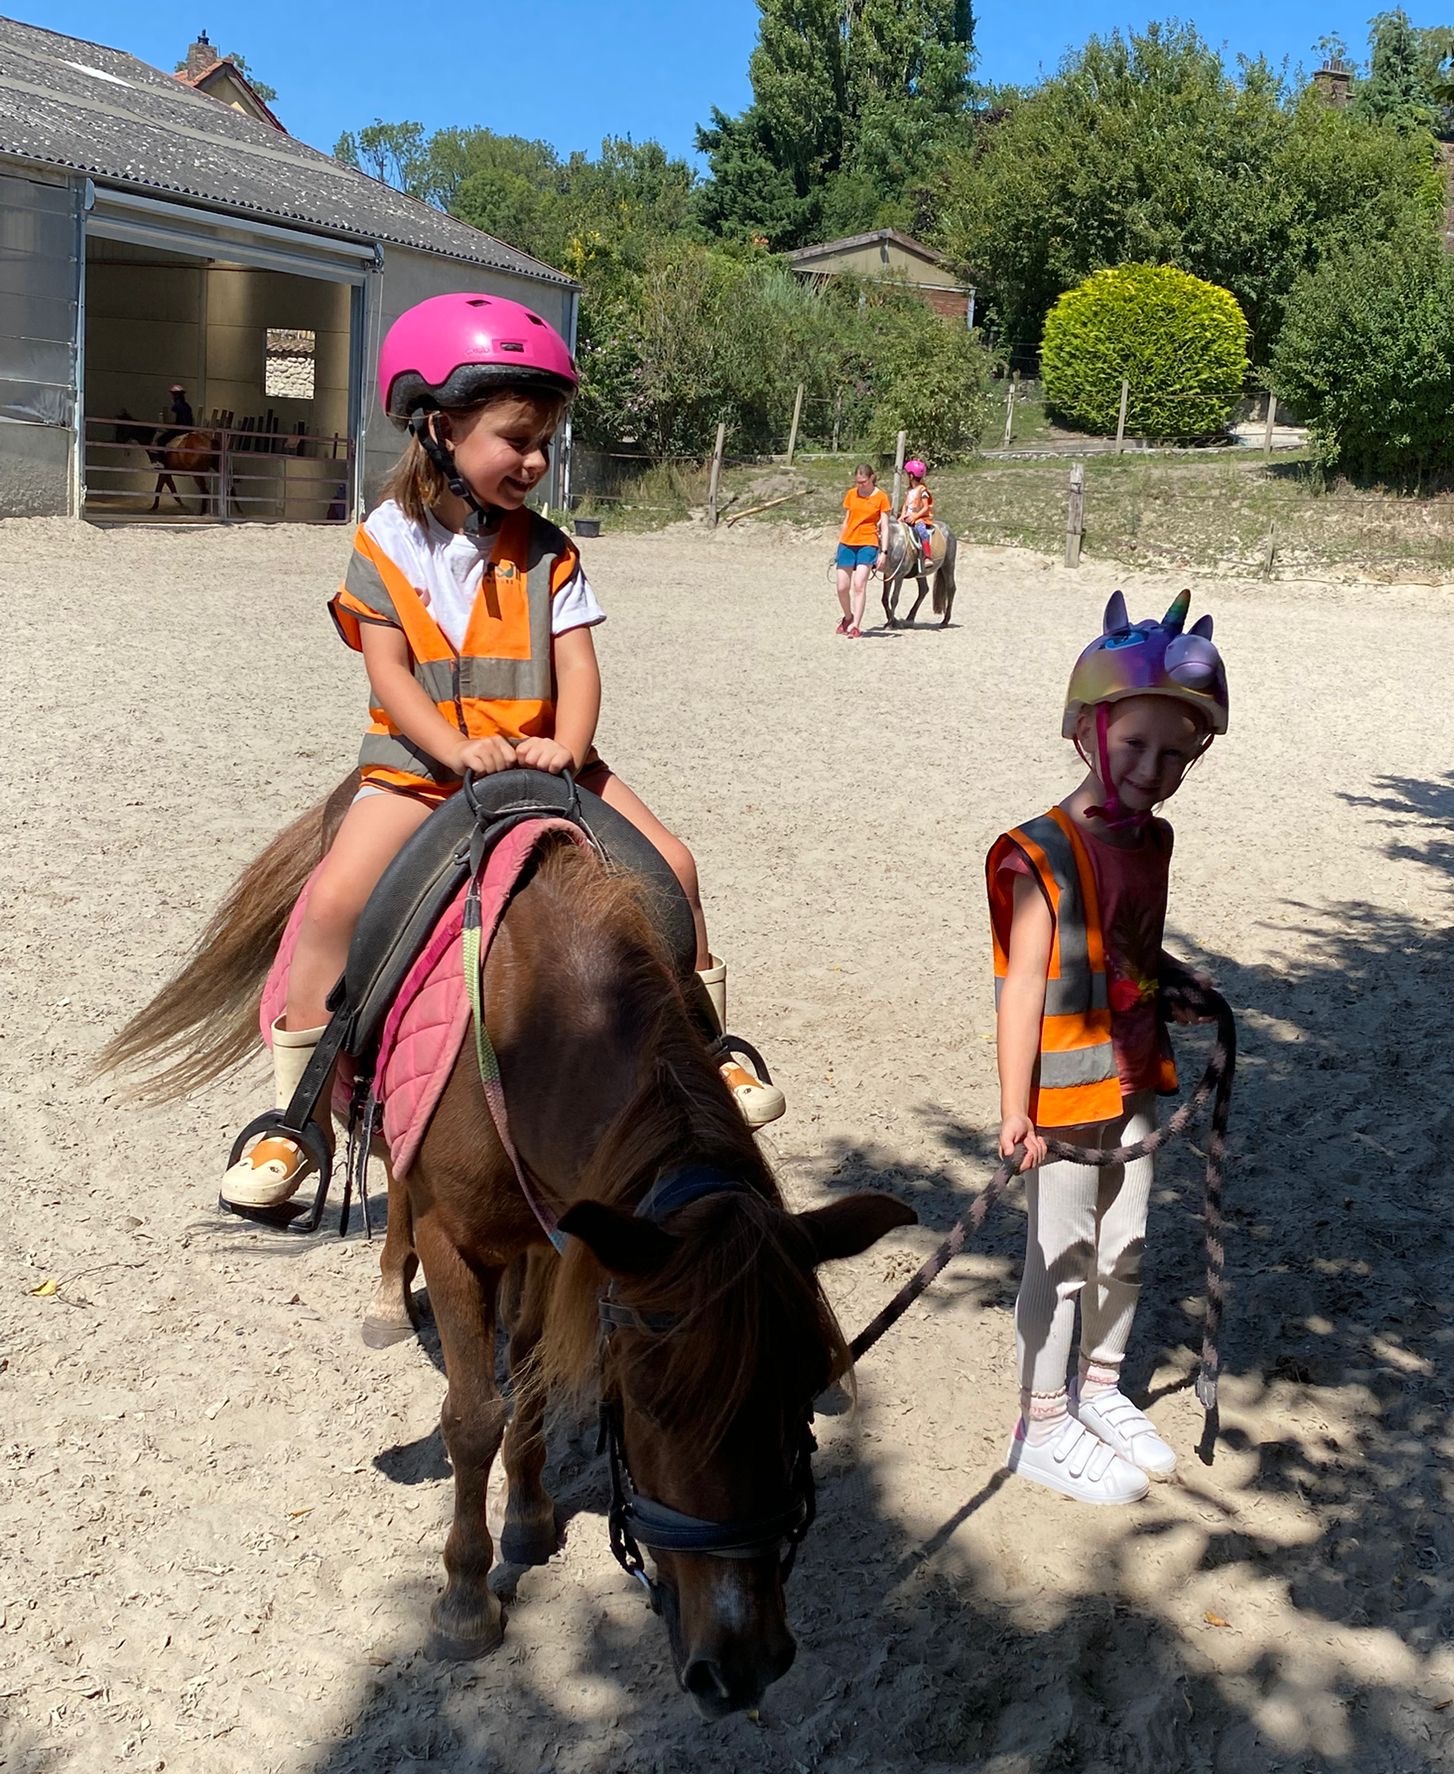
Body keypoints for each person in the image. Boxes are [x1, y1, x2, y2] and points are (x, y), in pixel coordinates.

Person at [222, 293, 784, 1211]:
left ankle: (707, 1048)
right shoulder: (384, 543)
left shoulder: (551, 552)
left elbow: (579, 664)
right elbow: (389, 669)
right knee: (332, 904)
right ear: (439, 429)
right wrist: (453, 749)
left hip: (550, 758)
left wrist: (567, 746)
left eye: (545, 444)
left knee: (675, 866)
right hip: (418, 769)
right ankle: (297, 1119)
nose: (534, 462)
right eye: (517, 440)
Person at [984, 590, 1228, 1504]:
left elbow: (1125, 944)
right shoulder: (1042, 854)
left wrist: (1176, 983)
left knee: (1124, 1242)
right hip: (1064, 1089)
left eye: (1175, 755)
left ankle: (1099, 1387)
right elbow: (1024, 984)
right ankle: (1041, 1422)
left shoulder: (1151, 840)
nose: (1152, 770)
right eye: (1134, 745)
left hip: (1134, 1073)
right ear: (1088, 729)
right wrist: (1015, 1108)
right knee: (1061, 1250)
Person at [834, 463, 891, 638]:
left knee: (859, 585)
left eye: (863, 482)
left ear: (872, 478)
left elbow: (885, 527)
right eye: (858, 482)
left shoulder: (881, 497)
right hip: (847, 542)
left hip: (868, 542)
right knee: (842, 587)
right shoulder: (851, 494)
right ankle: (848, 617)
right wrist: (839, 543)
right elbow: (847, 520)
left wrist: (884, 552)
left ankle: (856, 625)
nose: (860, 485)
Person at [900, 458, 935, 561]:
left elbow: (925, 507)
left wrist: (915, 516)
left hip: (919, 518)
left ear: (911, 476)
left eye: (906, 474)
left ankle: (927, 556)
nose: (904, 476)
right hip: (907, 517)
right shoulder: (909, 490)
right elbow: (905, 505)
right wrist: (902, 515)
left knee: (922, 531)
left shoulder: (922, 490)